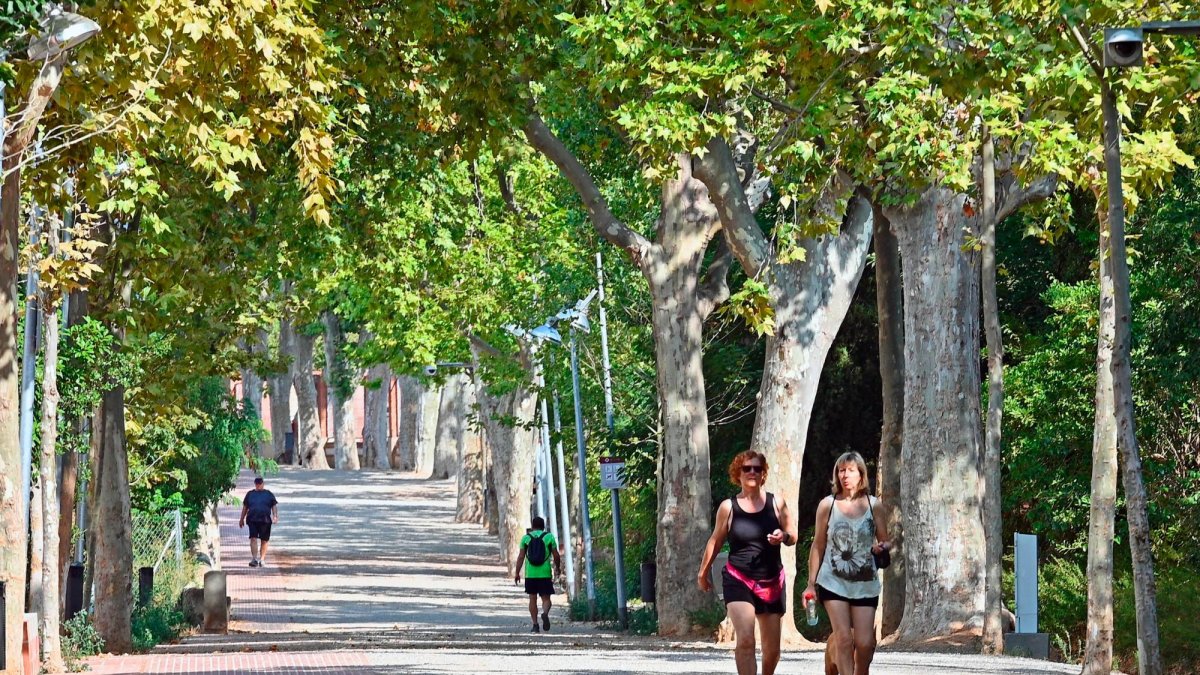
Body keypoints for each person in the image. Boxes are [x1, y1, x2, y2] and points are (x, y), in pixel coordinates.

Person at [697, 451, 798, 675]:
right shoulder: (728, 507)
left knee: (772, 651)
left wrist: (783, 536)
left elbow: (793, 535)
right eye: (746, 468)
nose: (752, 472)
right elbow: (715, 540)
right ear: (738, 474)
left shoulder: (776, 503)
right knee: (745, 640)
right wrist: (702, 573)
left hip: (771, 580)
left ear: (763, 474)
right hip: (738, 578)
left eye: (757, 468)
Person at [804, 451, 891, 675]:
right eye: (841, 470)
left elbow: (885, 541)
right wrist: (811, 584)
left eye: (850, 470)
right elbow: (818, 545)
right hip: (833, 581)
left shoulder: (874, 505)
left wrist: (882, 548)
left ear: (861, 474)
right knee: (843, 638)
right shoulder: (828, 505)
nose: (845, 475)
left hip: (865, 583)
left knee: (865, 643)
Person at [514, 516, 562, 633]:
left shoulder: (526, 538)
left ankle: (535, 625)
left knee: (532, 599)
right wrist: (557, 567)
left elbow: (521, 557)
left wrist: (517, 573)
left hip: (530, 574)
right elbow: (556, 555)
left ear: (533, 526)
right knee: (546, 599)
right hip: (544, 573)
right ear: (543, 526)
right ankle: (545, 613)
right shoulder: (549, 537)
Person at [239, 476, 279, 568]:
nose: (258, 485)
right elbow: (245, 507)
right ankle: (254, 559)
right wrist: (241, 519)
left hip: (265, 520)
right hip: (252, 519)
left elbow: (274, 506)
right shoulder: (250, 494)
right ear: (255, 484)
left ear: (263, 484)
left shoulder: (269, 494)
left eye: (260, 483)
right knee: (253, 538)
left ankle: (262, 559)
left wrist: (275, 516)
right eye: (257, 484)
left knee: (264, 540)